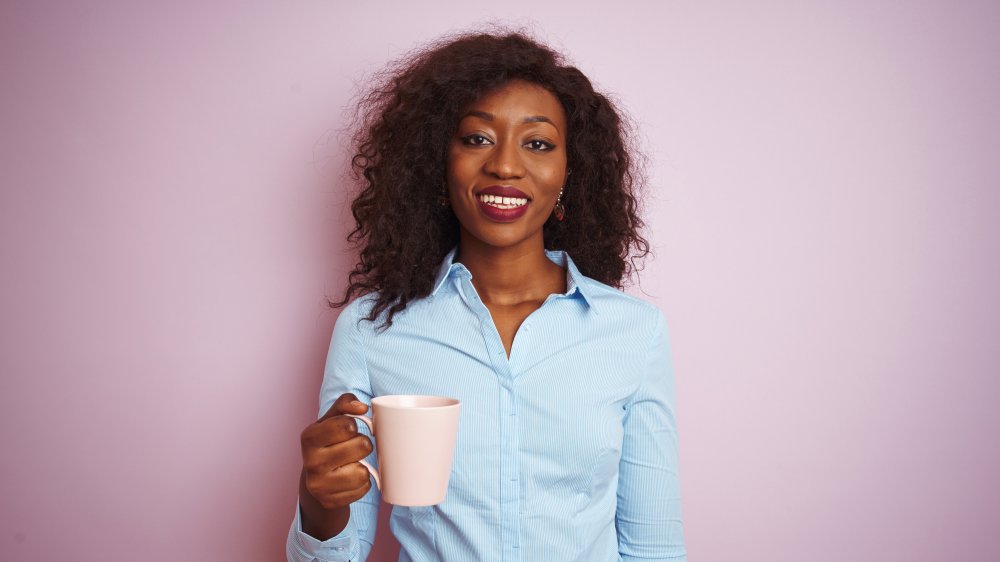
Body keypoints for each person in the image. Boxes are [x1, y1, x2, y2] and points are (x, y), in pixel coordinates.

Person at [288, 30, 686, 562]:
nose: (504, 165)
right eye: (476, 138)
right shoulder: (372, 329)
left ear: (569, 171)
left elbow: (655, 550)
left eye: (538, 143)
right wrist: (319, 501)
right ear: (437, 161)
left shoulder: (634, 332)